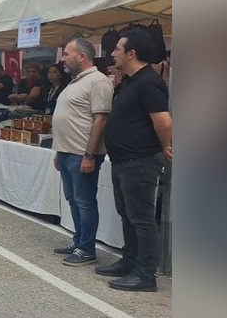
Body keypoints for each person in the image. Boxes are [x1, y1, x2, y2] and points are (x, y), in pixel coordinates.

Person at [96, 28, 172, 291]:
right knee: (127, 215)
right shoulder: (129, 81)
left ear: (132, 53)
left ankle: (145, 275)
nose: (113, 53)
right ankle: (129, 261)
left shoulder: (149, 81)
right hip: (122, 160)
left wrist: (166, 147)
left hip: (140, 161)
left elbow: (163, 121)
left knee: (141, 218)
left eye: (117, 49)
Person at [50, 38, 113, 266]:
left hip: (82, 154)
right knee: (74, 200)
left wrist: (89, 155)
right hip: (68, 152)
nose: (62, 59)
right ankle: (79, 241)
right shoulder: (76, 81)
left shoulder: (98, 82)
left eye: (66, 54)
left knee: (85, 201)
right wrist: (59, 151)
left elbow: (101, 120)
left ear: (81, 56)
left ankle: (87, 249)